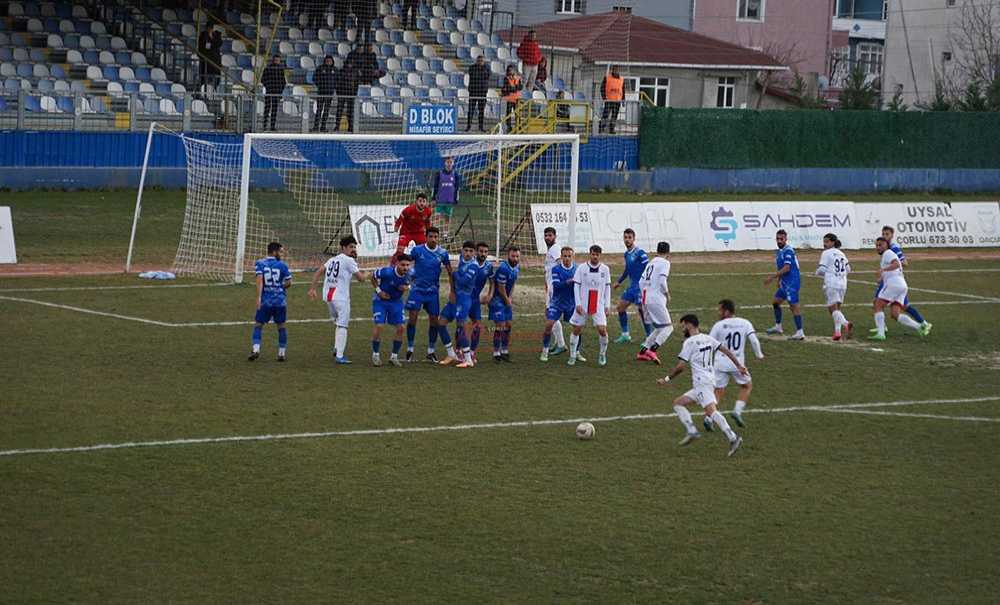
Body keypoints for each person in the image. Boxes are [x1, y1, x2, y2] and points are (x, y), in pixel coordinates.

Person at [656, 314, 745, 457]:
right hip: (708, 381)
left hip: (702, 383)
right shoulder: (708, 338)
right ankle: (691, 431)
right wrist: (739, 366)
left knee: (711, 411)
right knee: (678, 403)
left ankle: (733, 438)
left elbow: (680, 367)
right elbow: (726, 350)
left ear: (690, 325)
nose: (683, 328)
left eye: (684, 325)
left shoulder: (690, 343)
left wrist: (666, 379)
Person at [703, 299, 763, 432]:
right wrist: (759, 355)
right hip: (738, 364)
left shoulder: (719, 325)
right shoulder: (745, 323)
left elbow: (708, 343)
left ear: (727, 311)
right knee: (746, 386)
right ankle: (737, 411)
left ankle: (708, 418)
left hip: (720, 364)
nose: (718, 312)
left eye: (720, 310)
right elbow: (753, 340)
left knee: (717, 392)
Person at [308, 235, 368, 363]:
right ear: (343, 248)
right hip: (341, 298)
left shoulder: (333, 259)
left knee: (338, 322)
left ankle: (337, 348)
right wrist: (368, 273)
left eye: (354, 247)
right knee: (343, 325)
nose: (353, 249)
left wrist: (313, 288)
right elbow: (361, 279)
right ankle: (340, 356)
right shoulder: (349, 260)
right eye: (351, 247)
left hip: (328, 297)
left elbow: (319, 271)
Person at [871, 225, 932, 337]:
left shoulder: (890, 251)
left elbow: (899, 263)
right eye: (877, 245)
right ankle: (920, 327)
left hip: (894, 284)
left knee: (878, 304)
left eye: (887, 234)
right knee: (895, 313)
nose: (878, 247)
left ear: (891, 237)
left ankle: (881, 332)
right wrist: (882, 277)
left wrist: (882, 270)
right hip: (900, 284)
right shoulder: (888, 252)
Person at [404, 226, 454, 362]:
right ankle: (409, 349)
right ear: (426, 237)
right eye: (430, 236)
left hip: (432, 292)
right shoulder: (417, 250)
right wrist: (408, 276)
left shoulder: (443, 253)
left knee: (434, 320)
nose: (433, 239)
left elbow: (450, 271)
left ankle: (431, 351)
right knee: (412, 318)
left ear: (438, 238)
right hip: (417, 290)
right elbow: (406, 263)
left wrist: (453, 289)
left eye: (435, 237)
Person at [568, 245, 612, 367]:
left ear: (600, 255)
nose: (595, 257)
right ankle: (572, 355)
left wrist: (607, 305)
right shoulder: (582, 268)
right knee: (577, 329)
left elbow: (607, 287)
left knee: (602, 330)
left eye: (597, 254)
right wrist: (577, 304)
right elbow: (576, 286)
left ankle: (602, 354)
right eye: (593, 254)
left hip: (598, 304)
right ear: (590, 254)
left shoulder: (605, 269)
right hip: (583, 303)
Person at [248, 241, 292, 362]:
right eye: (280, 252)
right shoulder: (282, 265)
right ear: (274, 252)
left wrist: (258, 298)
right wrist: (280, 287)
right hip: (280, 301)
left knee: (258, 325)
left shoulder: (260, 263)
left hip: (265, 302)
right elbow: (288, 283)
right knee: (281, 326)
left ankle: (256, 349)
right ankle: (281, 353)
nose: (281, 254)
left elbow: (259, 281)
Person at [438, 241, 480, 367]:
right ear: (462, 251)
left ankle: (468, 359)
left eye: (470, 251)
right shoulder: (462, 259)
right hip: (455, 298)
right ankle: (451, 354)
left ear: (474, 253)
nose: (467, 253)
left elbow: (463, 281)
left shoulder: (474, 266)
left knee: (461, 326)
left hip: (464, 299)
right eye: (465, 250)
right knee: (441, 323)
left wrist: (454, 273)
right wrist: (452, 291)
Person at [370, 253, 413, 366]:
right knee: (379, 325)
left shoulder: (409, 274)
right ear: (397, 264)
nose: (405, 268)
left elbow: (411, 284)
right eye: (403, 265)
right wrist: (379, 292)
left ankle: (394, 357)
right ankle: (375, 355)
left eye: (408, 265)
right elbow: (372, 276)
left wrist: (407, 287)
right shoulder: (387, 272)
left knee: (401, 328)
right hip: (380, 302)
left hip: (396, 302)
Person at [636, 241, 674, 364]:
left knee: (659, 327)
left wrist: (644, 296)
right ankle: (653, 350)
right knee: (669, 327)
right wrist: (667, 293)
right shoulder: (665, 263)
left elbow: (641, 283)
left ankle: (642, 351)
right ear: (668, 253)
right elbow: (663, 281)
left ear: (657, 251)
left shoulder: (650, 263)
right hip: (656, 299)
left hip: (646, 298)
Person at [763, 229, 804, 340]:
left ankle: (800, 332)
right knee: (775, 302)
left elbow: (787, 268)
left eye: (781, 239)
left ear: (786, 239)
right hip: (785, 283)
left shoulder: (788, 251)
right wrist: (779, 280)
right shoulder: (779, 252)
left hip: (792, 282)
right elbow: (781, 268)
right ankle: (778, 326)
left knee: (793, 306)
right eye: (778, 239)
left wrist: (772, 277)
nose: (779, 241)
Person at [613, 228, 650, 343]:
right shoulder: (626, 254)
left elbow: (649, 269)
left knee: (642, 311)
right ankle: (625, 335)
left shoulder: (640, 253)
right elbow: (628, 269)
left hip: (641, 287)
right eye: (625, 237)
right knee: (620, 308)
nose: (627, 240)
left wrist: (648, 285)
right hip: (632, 287)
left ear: (634, 239)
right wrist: (619, 281)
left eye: (629, 237)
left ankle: (649, 338)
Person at [541, 246, 575, 362]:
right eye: (564, 256)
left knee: (577, 328)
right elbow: (556, 286)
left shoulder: (577, 269)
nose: (566, 258)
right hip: (556, 302)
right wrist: (568, 282)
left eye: (569, 256)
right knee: (548, 325)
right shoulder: (555, 269)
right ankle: (544, 351)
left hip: (571, 303)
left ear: (572, 257)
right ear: (561, 257)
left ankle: (576, 353)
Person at [816, 233, 852, 341]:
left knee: (832, 309)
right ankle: (837, 332)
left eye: (827, 241)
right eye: (824, 241)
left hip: (831, 283)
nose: (824, 244)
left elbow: (822, 270)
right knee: (837, 309)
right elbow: (848, 269)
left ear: (832, 242)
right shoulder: (841, 253)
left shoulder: (826, 253)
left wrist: (817, 272)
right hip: (842, 284)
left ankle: (846, 323)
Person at [487, 246, 520, 362]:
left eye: (517, 256)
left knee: (508, 326)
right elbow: (501, 288)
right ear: (508, 256)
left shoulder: (516, 267)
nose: (515, 258)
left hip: (505, 298)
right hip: (497, 300)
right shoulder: (503, 268)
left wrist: (510, 297)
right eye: (513, 256)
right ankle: (496, 352)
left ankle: (505, 350)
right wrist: (507, 300)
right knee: (500, 326)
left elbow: (513, 283)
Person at [542, 227, 567, 356]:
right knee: (550, 314)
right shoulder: (551, 250)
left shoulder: (556, 249)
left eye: (550, 235)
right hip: (551, 286)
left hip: (554, 287)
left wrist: (557, 284)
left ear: (555, 236)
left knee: (551, 314)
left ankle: (561, 344)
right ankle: (558, 342)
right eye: (546, 235)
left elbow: (561, 265)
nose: (547, 238)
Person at [469, 241, 494, 364]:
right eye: (481, 251)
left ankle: (472, 352)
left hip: (475, 301)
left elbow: (492, 281)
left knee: (477, 326)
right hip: (464, 299)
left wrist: (489, 295)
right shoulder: (470, 263)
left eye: (485, 252)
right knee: (460, 325)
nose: (483, 254)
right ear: (476, 252)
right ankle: (459, 350)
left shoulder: (489, 266)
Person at [392, 192, 432, 262]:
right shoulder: (408, 210)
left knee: (424, 251)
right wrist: (395, 234)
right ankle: (393, 265)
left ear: (426, 202)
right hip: (406, 232)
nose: (422, 203)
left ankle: (421, 264)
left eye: (424, 201)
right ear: (416, 201)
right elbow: (399, 221)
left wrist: (428, 233)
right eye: (420, 201)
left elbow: (427, 223)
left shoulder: (428, 211)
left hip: (419, 233)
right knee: (400, 250)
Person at [431, 156, 462, 242]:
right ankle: (434, 234)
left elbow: (457, 188)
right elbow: (435, 187)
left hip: (450, 201)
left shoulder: (455, 174)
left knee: (447, 218)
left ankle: (445, 234)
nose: (449, 164)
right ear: (445, 163)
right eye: (447, 162)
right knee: (437, 217)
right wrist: (433, 198)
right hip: (440, 200)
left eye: (450, 162)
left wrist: (456, 199)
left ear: (453, 163)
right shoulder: (439, 173)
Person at [312, 55, 337, 132]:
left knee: (326, 111)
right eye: (327, 61)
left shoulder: (335, 70)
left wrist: (333, 87)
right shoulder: (320, 68)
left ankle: (323, 127)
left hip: (329, 93)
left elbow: (338, 80)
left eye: (330, 61)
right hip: (321, 92)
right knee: (319, 110)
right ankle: (316, 127)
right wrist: (320, 85)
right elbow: (314, 78)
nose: (328, 62)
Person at [261, 55, 286, 131]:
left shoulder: (281, 70)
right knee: (267, 108)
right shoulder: (268, 69)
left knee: (274, 110)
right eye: (275, 60)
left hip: (276, 92)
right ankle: (264, 125)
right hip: (269, 91)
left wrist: (280, 91)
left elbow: (283, 82)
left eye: (278, 60)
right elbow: (263, 79)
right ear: (273, 60)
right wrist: (268, 86)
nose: (277, 61)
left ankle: (272, 126)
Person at [466, 55, 491, 132]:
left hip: (482, 92)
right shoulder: (472, 68)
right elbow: (475, 76)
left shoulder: (487, 68)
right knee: (471, 110)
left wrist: (481, 74)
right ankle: (468, 126)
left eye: (481, 61)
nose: (480, 62)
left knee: (481, 110)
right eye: (478, 60)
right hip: (473, 91)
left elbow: (487, 76)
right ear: (476, 60)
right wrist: (481, 75)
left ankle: (481, 127)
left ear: (483, 61)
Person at [333, 59, 358, 132]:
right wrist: (338, 91)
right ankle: (337, 126)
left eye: (350, 64)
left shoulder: (354, 73)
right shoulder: (341, 72)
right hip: (342, 93)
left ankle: (350, 127)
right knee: (339, 110)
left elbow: (356, 83)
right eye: (348, 64)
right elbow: (337, 82)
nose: (349, 65)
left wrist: (354, 93)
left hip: (351, 94)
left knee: (350, 111)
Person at [599, 64, 624, 134]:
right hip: (609, 100)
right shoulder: (607, 77)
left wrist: (623, 99)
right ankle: (601, 128)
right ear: (612, 70)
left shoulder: (621, 79)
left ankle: (611, 129)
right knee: (605, 115)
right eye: (615, 69)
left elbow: (623, 89)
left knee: (614, 116)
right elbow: (602, 88)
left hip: (617, 101)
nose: (616, 71)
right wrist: (604, 97)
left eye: (617, 69)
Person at [500, 64, 522, 132]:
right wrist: (515, 88)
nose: (511, 71)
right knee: (508, 114)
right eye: (510, 70)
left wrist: (514, 87)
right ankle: (509, 127)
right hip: (510, 99)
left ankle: (518, 126)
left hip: (517, 99)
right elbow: (508, 88)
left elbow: (520, 87)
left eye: (512, 70)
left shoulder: (518, 78)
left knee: (518, 113)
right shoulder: (506, 78)